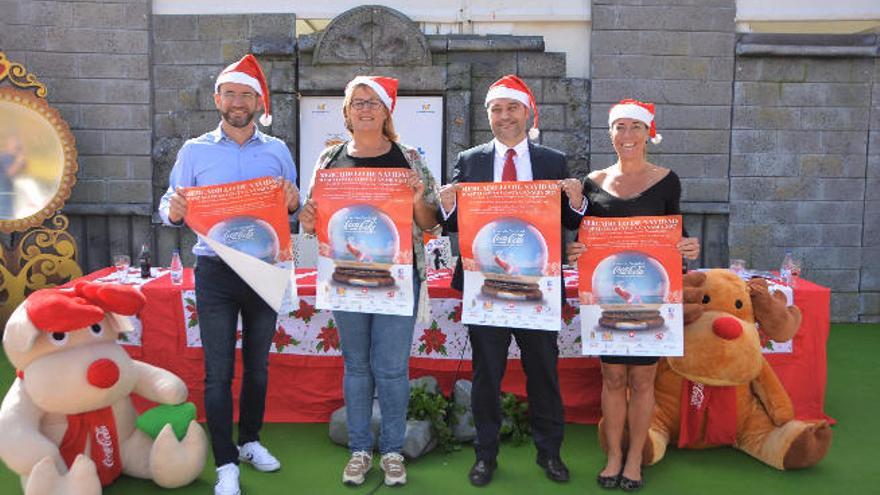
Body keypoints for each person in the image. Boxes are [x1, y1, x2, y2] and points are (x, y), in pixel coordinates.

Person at [158, 54, 300, 495]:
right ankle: (225, 464)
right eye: (231, 94)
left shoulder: (277, 150)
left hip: (264, 268)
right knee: (218, 372)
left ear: (258, 101)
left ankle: (251, 441)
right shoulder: (194, 150)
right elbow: (168, 205)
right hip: (215, 273)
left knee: (258, 367)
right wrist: (174, 211)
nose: (238, 102)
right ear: (218, 98)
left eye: (247, 95)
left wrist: (294, 201)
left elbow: (292, 210)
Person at [438, 75, 586, 487]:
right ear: (488, 116)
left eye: (511, 108)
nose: (504, 116)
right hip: (486, 287)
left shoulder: (553, 161)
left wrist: (576, 199)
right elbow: (452, 224)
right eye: (496, 109)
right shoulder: (469, 160)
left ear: (527, 112)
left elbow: (571, 222)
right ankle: (485, 455)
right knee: (487, 376)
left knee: (544, 371)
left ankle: (550, 453)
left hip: (538, 287)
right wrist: (447, 204)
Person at [298, 76, 440, 487]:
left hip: (397, 277)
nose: (364, 109)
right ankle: (360, 450)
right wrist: (307, 218)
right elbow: (314, 220)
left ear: (386, 111)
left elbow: (430, 224)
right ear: (346, 111)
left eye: (373, 103)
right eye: (357, 102)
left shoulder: (409, 158)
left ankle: (393, 451)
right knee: (357, 367)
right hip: (346, 276)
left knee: (392, 369)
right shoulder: (329, 159)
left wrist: (416, 200)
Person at [567, 99, 700, 492]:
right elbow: (583, 239)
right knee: (611, 377)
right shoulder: (593, 181)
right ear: (610, 133)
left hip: (650, 298)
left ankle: (635, 459)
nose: (627, 135)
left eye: (635, 128)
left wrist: (687, 248)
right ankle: (612, 456)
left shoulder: (667, 180)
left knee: (643, 380)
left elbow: (677, 231)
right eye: (619, 127)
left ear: (648, 134)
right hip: (607, 299)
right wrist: (575, 251)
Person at [0, 136, 26, 219]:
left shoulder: (11, 157)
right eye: (16, 147)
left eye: (18, 147)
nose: (17, 149)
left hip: (10, 194)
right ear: (8, 146)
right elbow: (10, 173)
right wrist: (20, 160)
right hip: (4, 196)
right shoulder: (5, 157)